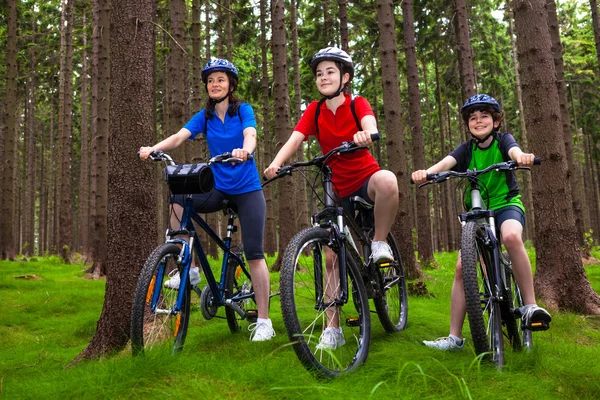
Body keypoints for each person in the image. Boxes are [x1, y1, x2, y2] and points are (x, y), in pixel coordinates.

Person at [264, 47, 399, 349]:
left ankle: (378, 241)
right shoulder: (314, 110)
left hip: (366, 179)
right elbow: (295, 139)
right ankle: (332, 328)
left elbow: (370, 124)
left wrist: (367, 134)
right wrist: (276, 163)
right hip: (334, 186)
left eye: (330, 72)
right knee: (330, 255)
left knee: (389, 181)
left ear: (345, 77)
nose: (323, 77)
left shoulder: (356, 103)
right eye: (319, 73)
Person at [139, 59, 275, 342]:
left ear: (231, 84)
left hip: (247, 189)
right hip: (220, 188)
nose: (215, 84)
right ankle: (188, 269)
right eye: (211, 80)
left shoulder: (243, 110)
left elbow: (251, 134)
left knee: (254, 253)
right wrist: (154, 148)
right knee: (179, 198)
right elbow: (179, 137)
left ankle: (264, 321)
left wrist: (245, 151)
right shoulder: (205, 116)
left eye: (221, 79)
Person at [411, 94, 551, 351]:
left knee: (510, 237)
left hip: (507, 205)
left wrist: (521, 157)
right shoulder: (466, 149)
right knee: (462, 267)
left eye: (484, 116)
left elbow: (514, 151)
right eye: (473, 118)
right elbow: (446, 163)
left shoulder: (503, 140)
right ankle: (454, 337)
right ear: (467, 124)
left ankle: (530, 306)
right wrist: (426, 173)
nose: (478, 121)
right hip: (477, 213)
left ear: (496, 121)